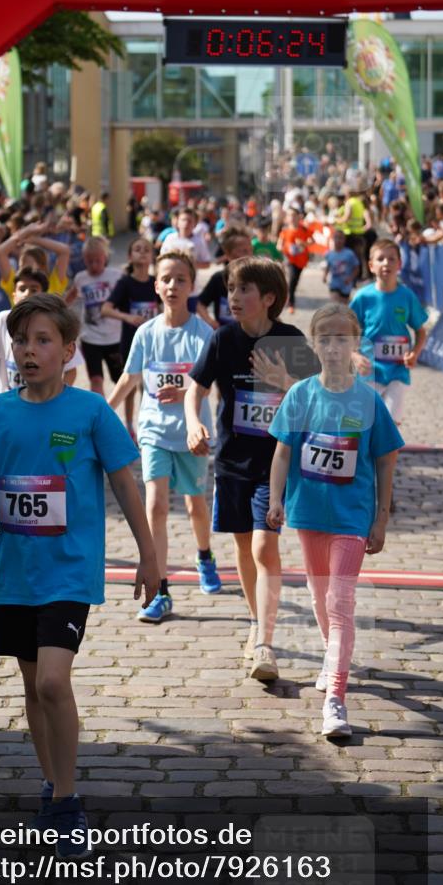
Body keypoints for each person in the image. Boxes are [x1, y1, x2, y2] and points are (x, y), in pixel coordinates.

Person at [0, 293, 158, 857]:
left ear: (69, 351)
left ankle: (66, 800)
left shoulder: (90, 411)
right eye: (21, 341)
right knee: (31, 686)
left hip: (69, 572)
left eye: (43, 340)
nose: (28, 350)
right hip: (16, 574)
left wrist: (149, 553)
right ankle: (51, 782)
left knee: (51, 682)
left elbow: (124, 484)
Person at [267, 304, 403, 737]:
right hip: (309, 513)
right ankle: (332, 657)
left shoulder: (368, 400)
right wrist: (275, 499)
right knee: (318, 595)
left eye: (341, 337)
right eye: (324, 338)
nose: (332, 345)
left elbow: (386, 460)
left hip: (352, 517)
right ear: (313, 344)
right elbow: (283, 451)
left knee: (339, 604)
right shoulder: (301, 395)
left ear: (356, 342)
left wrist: (380, 519)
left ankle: (335, 700)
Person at [186, 257, 319, 680]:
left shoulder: (291, 340)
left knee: (264, 547)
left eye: (243, 290)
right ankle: (256, 621)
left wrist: (287, 384)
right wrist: (193, 422)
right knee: (244, 548)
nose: (233, 298)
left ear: (269, 298)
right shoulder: (223, 339)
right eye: (230, 290)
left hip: (274, 464)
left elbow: (323, 395)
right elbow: (197, 387)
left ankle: (264, 642)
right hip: (231, 461)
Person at [108, 251, 221, 622]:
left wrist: (189, 386)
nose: (173, 286)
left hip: (191, 434)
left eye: (181, 280)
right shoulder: (146, 332)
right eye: (166, 279)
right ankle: (161, 589)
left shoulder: (203, 334)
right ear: (156, 286)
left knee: (195, 505)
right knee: (154, 505)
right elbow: (131, 378)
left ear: (192, 286)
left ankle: (204, 555)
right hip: (154, 430)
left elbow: (212, 381)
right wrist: (104, 411)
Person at [350, 239, 428, 432]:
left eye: (392, 259)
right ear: (371, 266)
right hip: (369, 371)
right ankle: (364, 460)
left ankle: (386, 461)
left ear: (399, 264)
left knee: (391, 427)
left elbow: (420, 330)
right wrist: (354, 355)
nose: (386, 263)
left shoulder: (407, 296)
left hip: (398, 371)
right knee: (364, 425)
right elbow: (346, 331)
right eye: (381, 259)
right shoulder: (362, 297)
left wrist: (415, 353)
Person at [0, 267, 82, 399]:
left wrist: (56, 398)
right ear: (13, 295)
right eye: (22, 289)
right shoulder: (2, 320)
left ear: (43, 295)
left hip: (42, 407)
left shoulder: (54, 323)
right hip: (10, 406)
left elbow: (71, 370)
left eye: (42, 339)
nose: (27, 293)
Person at [101, 236, 158, 441]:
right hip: (131, 342)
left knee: (150, 385)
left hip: (155, 343)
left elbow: (163, 308)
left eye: (146, 249)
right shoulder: (125, 283)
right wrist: (128, 317)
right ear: (129, 256)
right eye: (137, 249)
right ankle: (129, 427)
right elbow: (105, 309)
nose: (142, 252)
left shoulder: (156, 282)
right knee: (131, 386)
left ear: (152, 256)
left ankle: (147, 423)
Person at [71, 236, 123, 396]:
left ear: (105, 258)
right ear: (83, 260)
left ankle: (119, 416)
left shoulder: (116, 276)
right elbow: (70, 297)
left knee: (120, 379)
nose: (94, 265)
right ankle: (99, 414)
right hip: (90, 338)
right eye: (89, 261)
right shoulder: (81, 278)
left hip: (114, 338)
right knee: (96, 380)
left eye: (98, 261)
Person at [0, 222, 70, 299]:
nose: (27, 293)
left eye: (34, 290)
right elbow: (0, 253)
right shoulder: (16, 284)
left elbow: (64, 251)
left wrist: (34, 240)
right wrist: (26, 231)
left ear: (42, 267)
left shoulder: (53, 284)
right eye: (22, 266)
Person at [196, 230, 253, 331]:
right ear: (228, 254)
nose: (249, 255)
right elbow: (200, 304)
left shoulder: (258, 278)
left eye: (250, 250)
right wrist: (210, 322)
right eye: (243, 251)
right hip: (226, 335)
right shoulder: (219, 278)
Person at [277, 206, 310, 314]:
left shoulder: (304, 229)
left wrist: (303, 244)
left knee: (295, 281)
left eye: (293, 215)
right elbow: (279, 246)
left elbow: (312, 241)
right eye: (289, 215)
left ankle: (289, 297)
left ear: (298, 217)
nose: (291, 217)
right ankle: (291, 303)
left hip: (301, 260)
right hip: (289, 259)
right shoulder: (285, 231)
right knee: (291, 280)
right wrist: (284, 248)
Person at [322, 229, 360, 303]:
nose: (338, 240)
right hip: (334, 283)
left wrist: (350, 278)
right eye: (336, 237)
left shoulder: (349, 254)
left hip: (346, 284)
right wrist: (325, 275)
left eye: (341, 238)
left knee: (343, 306)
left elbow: (356, 268)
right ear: (332, 239)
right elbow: (328, 266)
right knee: (335, 303)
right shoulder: (329, 254)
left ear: (344, 240)